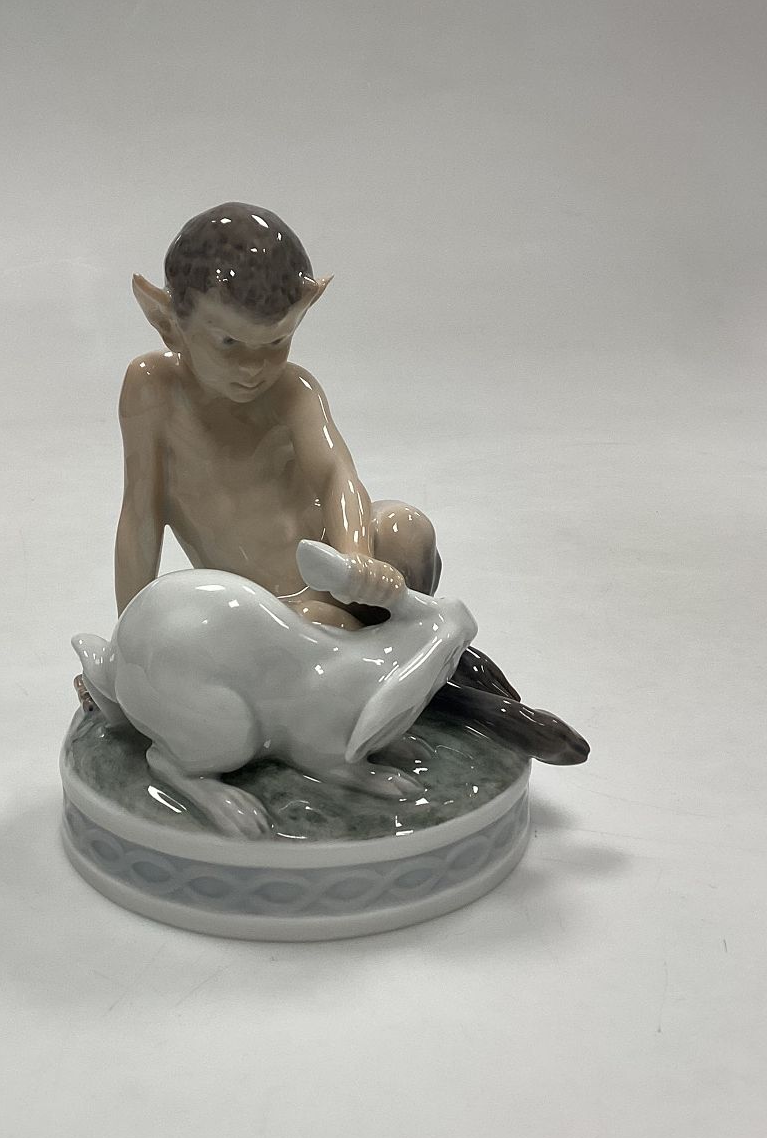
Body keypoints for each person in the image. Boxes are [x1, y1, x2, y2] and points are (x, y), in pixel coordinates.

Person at [115, 202, 587, 764]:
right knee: (320, 627)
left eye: (275, 343)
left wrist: (357, 559)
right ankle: (431, 684)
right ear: (168, 321)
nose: (254, 369)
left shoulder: (294, 391)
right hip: (261, 614)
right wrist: (129, 647)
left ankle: (406, 658)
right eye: (229, 344)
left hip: (331, 575)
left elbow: (336, 473)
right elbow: (140, 513)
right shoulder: (151, 388)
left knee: (407, 528)